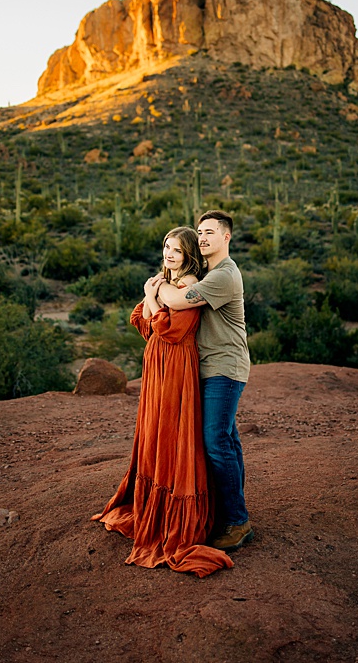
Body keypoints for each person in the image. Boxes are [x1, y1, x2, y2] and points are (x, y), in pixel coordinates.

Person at [92, 227, 233, 577]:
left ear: (189, 256)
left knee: (171, 430)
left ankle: (180, 517)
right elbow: (142, 321)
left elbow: (170, 329)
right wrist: (153, 300)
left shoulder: (188, 286)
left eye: (178, 250)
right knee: (155, 430)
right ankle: (149, 506)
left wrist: (150, 295)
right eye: (167, 247)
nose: (169, 254)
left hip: (176, 365)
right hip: (157, 363)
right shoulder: (165, 282)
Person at [154, 210, 253, 552]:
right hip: (210, 367)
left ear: (226, 237)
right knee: (226, 439)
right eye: (199, 231)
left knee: (215, 441)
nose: (202, 237)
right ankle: (232, 513)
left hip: (224, 367)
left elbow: (177, 300)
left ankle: (237, 522)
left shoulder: (224, 275)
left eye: (210, 231)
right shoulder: (207, 272)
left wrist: (158, 284)